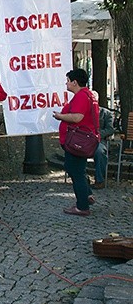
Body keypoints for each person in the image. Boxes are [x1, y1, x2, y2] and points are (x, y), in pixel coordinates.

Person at [53, 68, 99, 216]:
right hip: (81, 139)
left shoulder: (81, 96)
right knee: (75, 168)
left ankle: (82, 206)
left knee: (76, 171)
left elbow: (77, 117)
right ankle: (86, 195)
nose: (66, 83)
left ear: (74, 82)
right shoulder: (87, 95)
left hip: (78, 140)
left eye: (67, 80)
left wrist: (61, 116)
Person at [92, 91, 115, 189]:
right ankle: (82, 178)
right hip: (83, 140)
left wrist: (98, 135)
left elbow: (110, 129)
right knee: (72, 149)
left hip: (99, 140)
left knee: (99, 152)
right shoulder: (83, 113)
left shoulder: (106, 113)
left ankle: (99, 180)